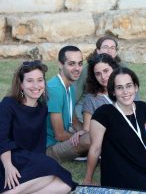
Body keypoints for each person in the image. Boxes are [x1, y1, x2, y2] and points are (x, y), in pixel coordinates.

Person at [83, 67, 146, 193]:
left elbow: (142, 133)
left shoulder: (141, 107)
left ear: (135, 87)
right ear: (113, 91)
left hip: (143, 165)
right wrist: (88, 180)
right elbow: (95, 148)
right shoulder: (103, 113)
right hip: (119, 171)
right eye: (119, 87)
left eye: (129, 86)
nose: (125, 91)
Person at [0, 60, 77, 194]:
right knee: (51, 167)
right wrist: (8, 166)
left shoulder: (42, 109)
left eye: (40, 80)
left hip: (29, 160)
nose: (36, 85)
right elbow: (2, 139)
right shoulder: (9, 104)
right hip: (8, 159)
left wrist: (38, 165)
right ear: (21, 85)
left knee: (65, 185)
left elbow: (39, 143)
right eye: (30, 81)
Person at [46, 45, 90, 163]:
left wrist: (86, 131)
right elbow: (59, 135)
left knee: (96, 133)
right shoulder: (54, 89)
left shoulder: (70, 87)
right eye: (71, 64)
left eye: (80, 64)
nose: (77, 68)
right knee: (90, 139)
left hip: (62, 141)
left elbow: (74, 121)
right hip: (50, 147)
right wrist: (80, 137)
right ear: (60, 64)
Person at [74, 35, 123, 123]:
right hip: (89, 105)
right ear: (98, 50)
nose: (109, 50)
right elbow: (75, 93)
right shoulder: (89, 68)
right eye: (105, 47)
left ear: (116, 52)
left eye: (112, 48)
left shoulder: (123, 67)